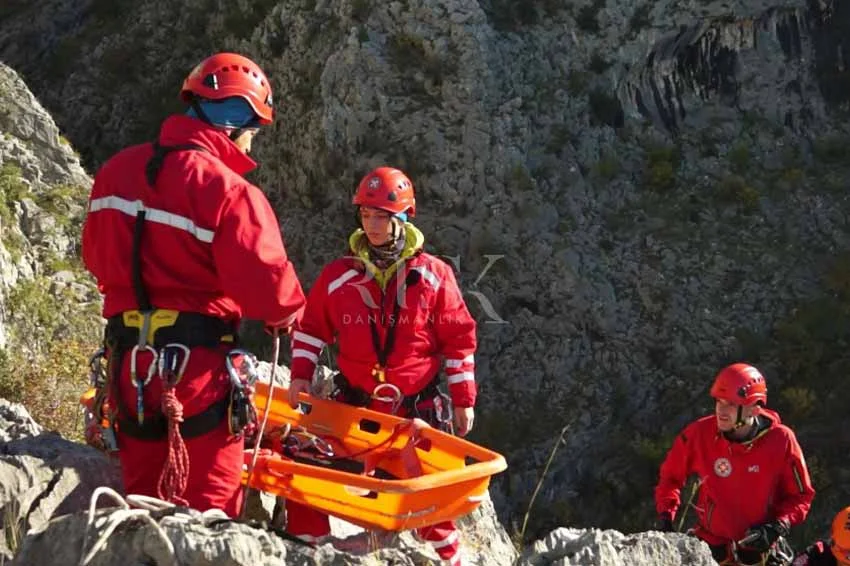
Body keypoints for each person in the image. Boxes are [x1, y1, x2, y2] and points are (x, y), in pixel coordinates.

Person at [81, 52, 306, 517]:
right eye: (253, 129)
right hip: (196, 375)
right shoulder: (229, 192)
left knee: (140, 507)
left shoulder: (114, 174)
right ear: (235, 121)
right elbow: (271, 290)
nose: (252, 143)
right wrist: (287, 315)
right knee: (208, 512)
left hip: (129, 369)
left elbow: (95, 259)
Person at [284, 166, 477, 565]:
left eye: (381, 217)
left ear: (403, 218)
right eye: (366, 215)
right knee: (305, 470)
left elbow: (458, 340)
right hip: (354, 406)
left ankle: (450, 560)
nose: (371, 225)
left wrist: (463, 400)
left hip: (414, 411)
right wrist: (300, 376)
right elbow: (311, 329)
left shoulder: (434, 277)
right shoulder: (340, 276)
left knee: (428, 498)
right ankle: (309, 552)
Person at [655, 363, 815, 564]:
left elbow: (801, 496)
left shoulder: (781, 441)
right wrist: (666, 517)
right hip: (711, 548)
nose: (721, 410)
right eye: (719, 401)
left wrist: (778, 526)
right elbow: (670, 477)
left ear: (754, 408)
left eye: (731, 404)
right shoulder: (700, 434)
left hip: (758, 549)